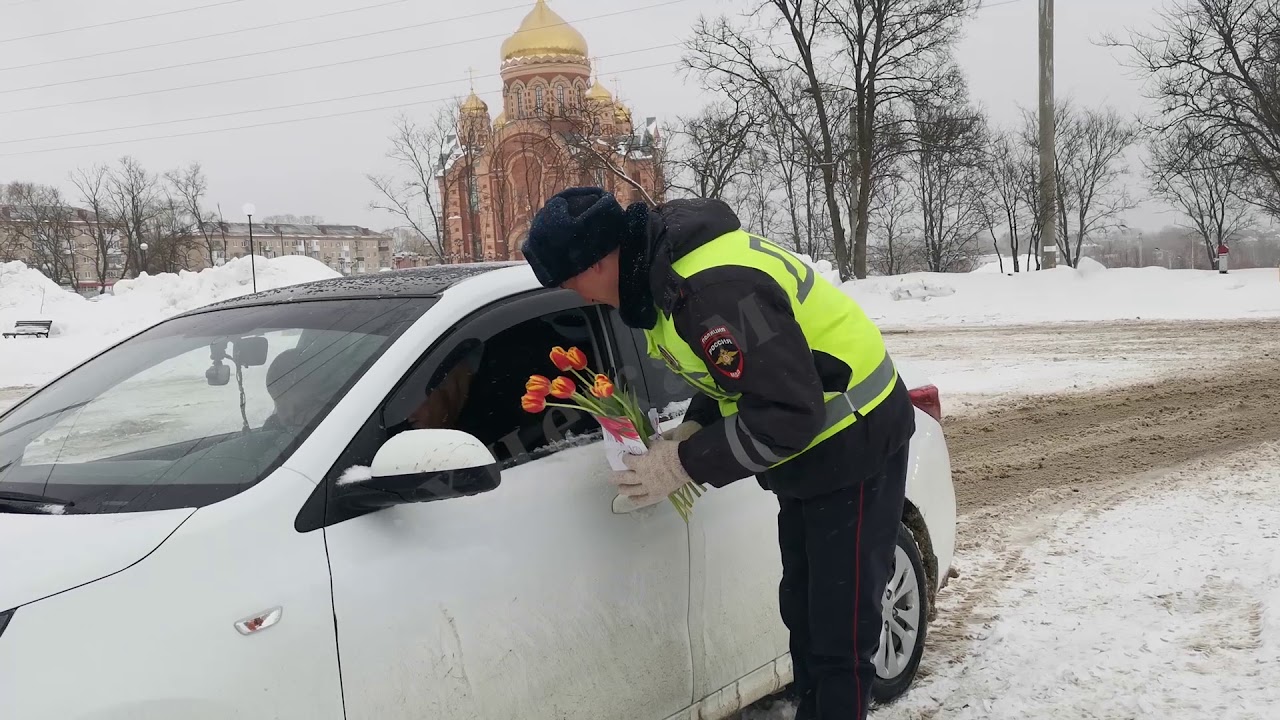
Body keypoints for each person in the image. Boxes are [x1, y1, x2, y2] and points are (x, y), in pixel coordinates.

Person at [521, 187, 916, 720]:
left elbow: (787, 412)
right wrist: (694, 429)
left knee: (838, 630)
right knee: (804, 608)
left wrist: (683, 463)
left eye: (571, 281)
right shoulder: (666, 279)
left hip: (853, 440)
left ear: (599, 260)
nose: (577, 296)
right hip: (808, 451)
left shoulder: (706, 291)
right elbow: (730, 370)